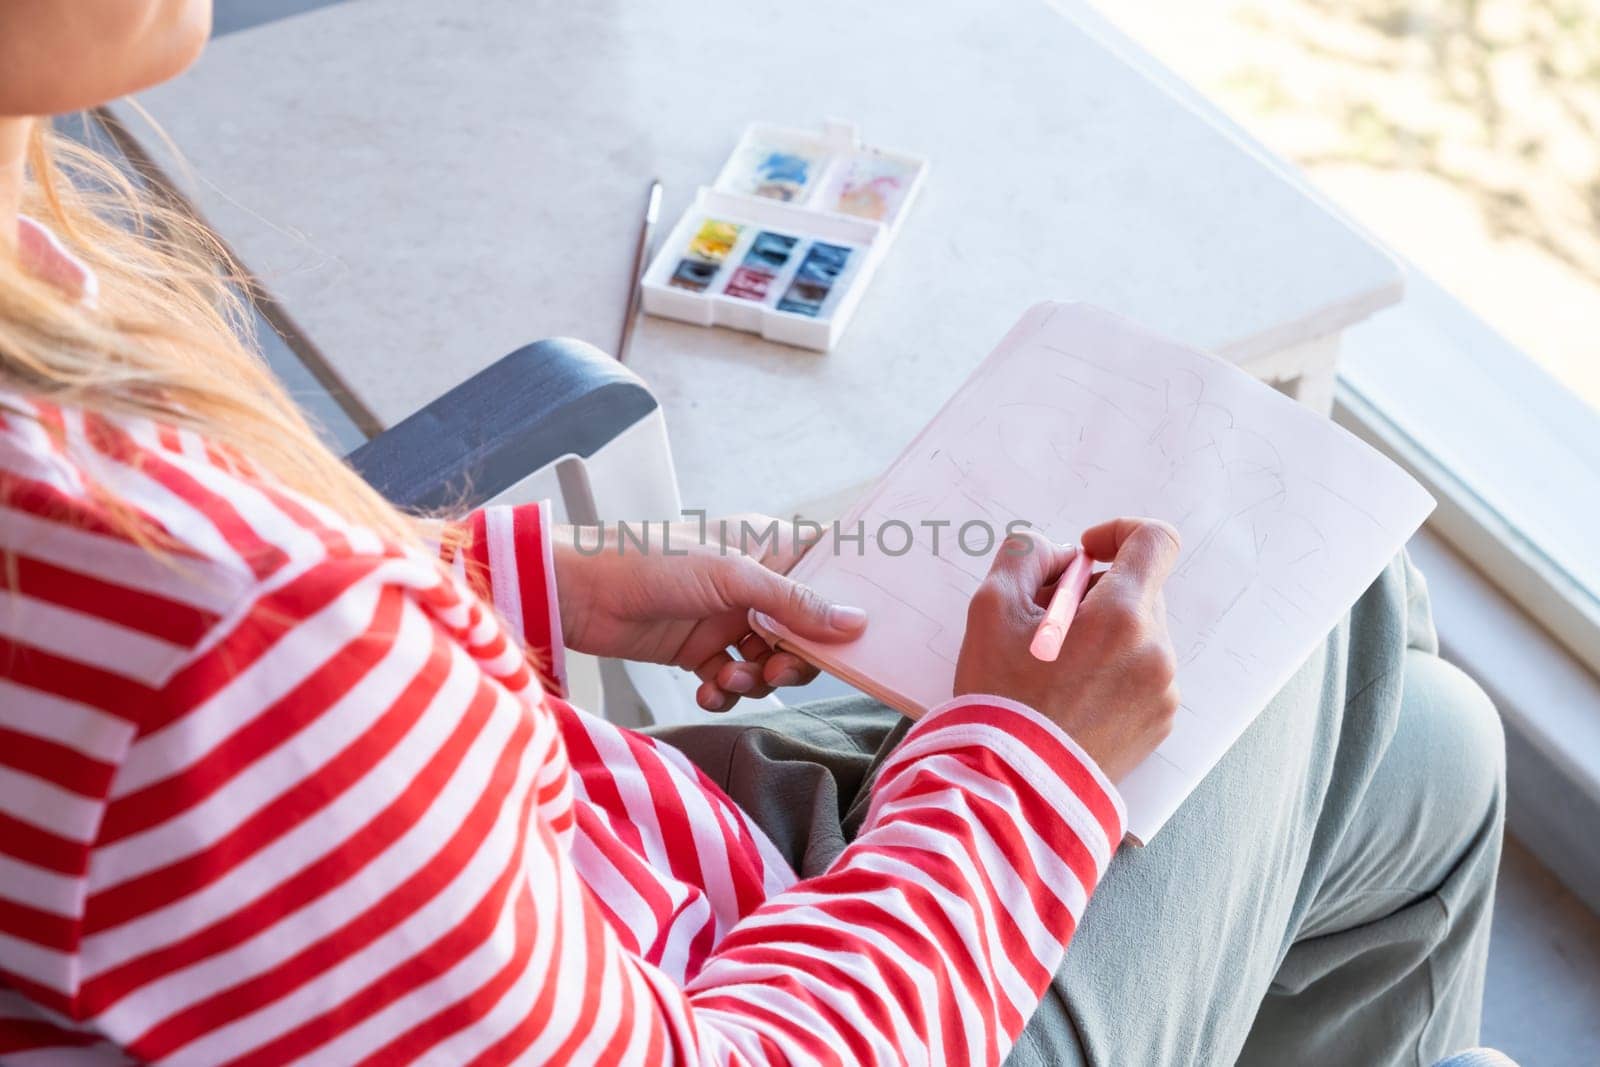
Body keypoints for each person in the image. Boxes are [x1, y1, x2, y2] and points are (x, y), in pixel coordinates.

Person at [0, 3, 1505, 1064]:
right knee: (1342, 622)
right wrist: (1028, 765)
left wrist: (533, 589)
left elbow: (222, 737)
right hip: (708, 993)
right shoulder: (213, 631)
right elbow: (231, 678)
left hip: (618, 893)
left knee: (1425, 749)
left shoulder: (57, 383)